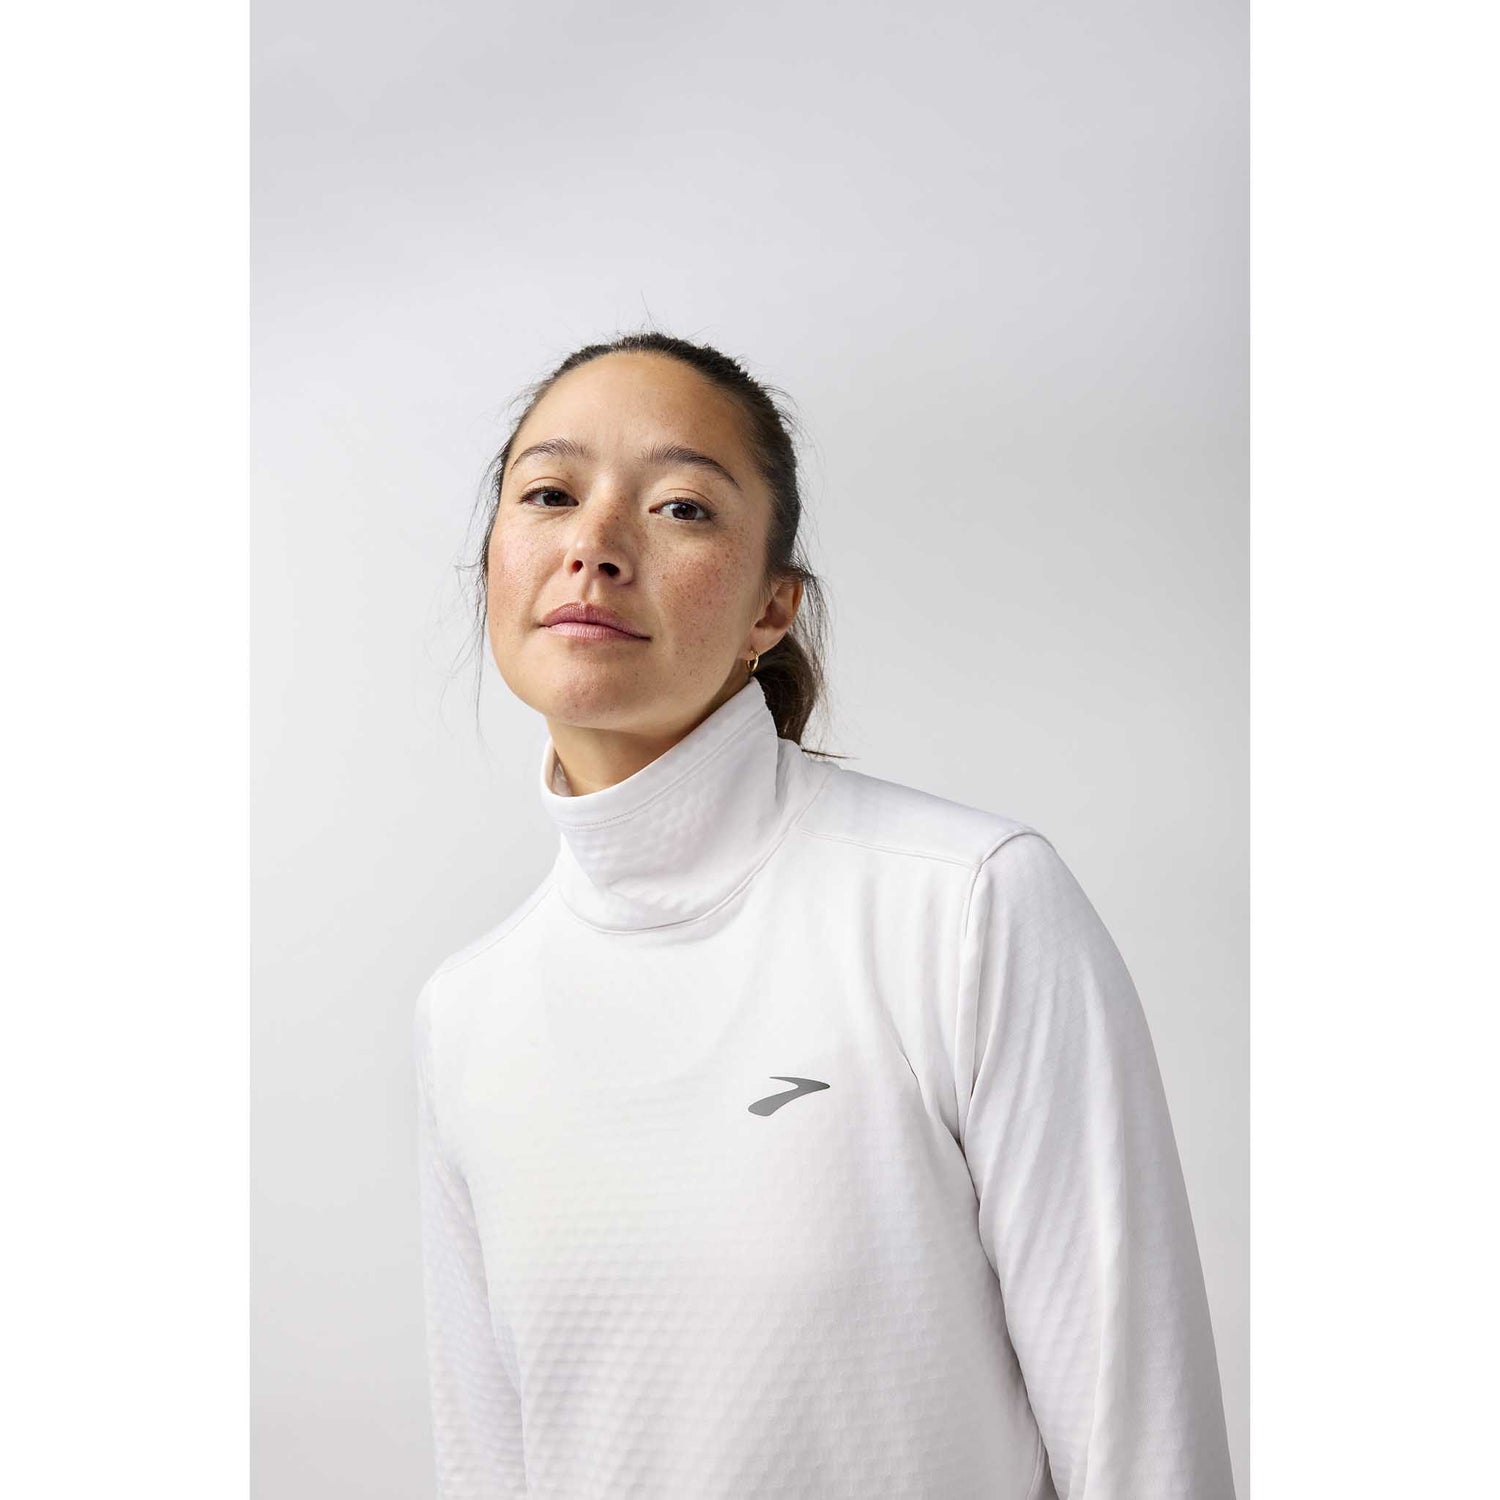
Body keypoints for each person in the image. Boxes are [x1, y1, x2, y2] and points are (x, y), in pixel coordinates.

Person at [414, 331, 1237, 1499]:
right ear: (493, 562)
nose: (593, 546)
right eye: (549, 494)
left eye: (681, 508)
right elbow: (487, 1468)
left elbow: (1143, 1447)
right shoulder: (466, 1016)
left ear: (772, 608)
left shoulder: (964, 906)